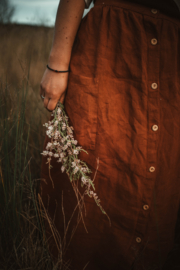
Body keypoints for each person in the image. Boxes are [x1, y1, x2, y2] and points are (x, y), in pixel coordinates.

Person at [40, 0, 180, 269]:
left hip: (172, 53)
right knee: (91, 163)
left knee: (163, 174)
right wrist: (57, 65)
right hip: (108, 41)